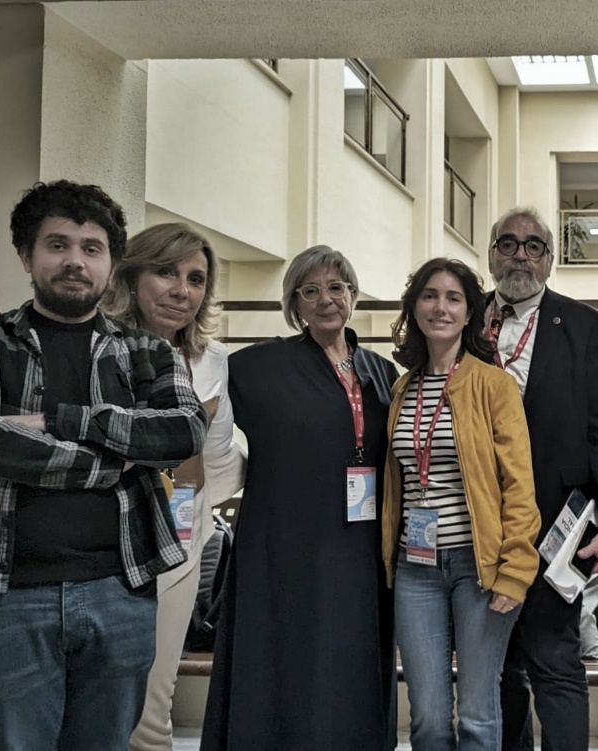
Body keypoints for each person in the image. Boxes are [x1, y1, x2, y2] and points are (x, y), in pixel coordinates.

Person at [0, 180, 206, 750]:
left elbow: (182, 433)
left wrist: (52, 419)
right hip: (4, 596)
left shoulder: (148, 352)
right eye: (57, 245)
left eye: (91, 248)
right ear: (27, 256)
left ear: (110, 265)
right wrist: (116, 458)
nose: (74, 261)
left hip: (119, 592)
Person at [201, 245, 399, 750]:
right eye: (309, 291)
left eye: (336, 288)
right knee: (280, 657)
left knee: (350, 659)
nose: (325, 300)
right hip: (282, 544)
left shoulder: (382, 374)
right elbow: (193, 377)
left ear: (353, 295)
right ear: (294, 303)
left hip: (359, 546)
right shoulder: (257, 366)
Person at [485, 207, 598, 751]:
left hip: (555, 525)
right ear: (491, 253)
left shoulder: (584, 326)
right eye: (508, 243)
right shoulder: (468, 320)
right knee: (494, 668)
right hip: (477, 523)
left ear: (548, 259)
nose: (520, 254)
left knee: (553, 660)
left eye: (533, 245)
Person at [383, 257, 541, 751]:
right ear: (415, 307)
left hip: (481, 568)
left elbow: (519, 485)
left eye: (454, 298)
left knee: (477, 715)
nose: (441, 307)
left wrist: (516, 569)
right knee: (428, 719)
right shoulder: (401, 388)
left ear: (470, 312)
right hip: (416, 570)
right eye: (430, 296)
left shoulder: (494, 385)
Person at [103, 222, 247, 751]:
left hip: (181, 543)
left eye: (195, 278)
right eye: (165, 272)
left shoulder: (212, 361)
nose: (181, 290)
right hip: (101, 545)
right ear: (133, 275)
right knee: (99, 697)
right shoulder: (100, 347)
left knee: (155, 703)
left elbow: (221, 460)